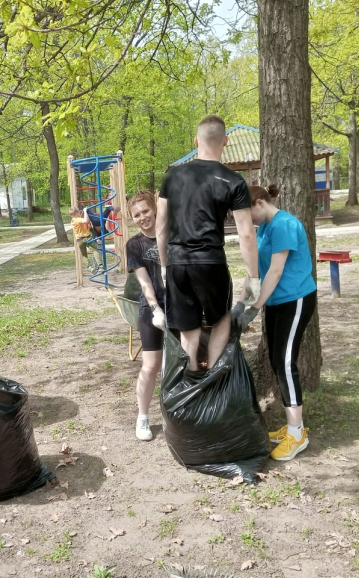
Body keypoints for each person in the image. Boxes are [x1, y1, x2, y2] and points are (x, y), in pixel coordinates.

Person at [156, 114, 259, 371]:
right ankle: (213, 380)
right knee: (221, 319)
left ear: (196, 140)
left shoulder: (172, 177)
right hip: (211, 263)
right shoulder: (234, 181)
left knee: (188, 333)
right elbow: (246, 233)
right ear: (225, 141)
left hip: (178, 263)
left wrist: (164, 265)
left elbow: (161, 227)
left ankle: (191, 391)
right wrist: (253, 277)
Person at [231, 184, 317, 461]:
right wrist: (240, 304)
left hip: (295, 300)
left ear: (258, 203)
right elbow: (255, 273)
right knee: (279, 361)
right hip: (277, 303)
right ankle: (295, 426)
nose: (248, 222)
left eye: (248, 215)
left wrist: (254, 308)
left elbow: (277, 271)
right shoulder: (265, 229)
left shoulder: (285, 225)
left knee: (284, 362)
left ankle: (297, 434)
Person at [125, 191, 166, 441]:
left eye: (146, 211)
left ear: (155, 209)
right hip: (151, 309)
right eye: (137, 215)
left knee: (180, 363)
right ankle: (143, 418)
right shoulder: (134, 245)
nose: (143, 217)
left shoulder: (172, 235)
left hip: (180, 307)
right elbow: (145, 282)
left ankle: (178, 413)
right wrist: (156, 309)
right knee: (150, 366)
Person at [69, 207, 99, 273]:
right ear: (76, 213)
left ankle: (90, 267)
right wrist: (85, 211)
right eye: (79, 213)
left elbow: (84, 224)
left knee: (84, 255)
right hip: (86, 238)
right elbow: (86, 221)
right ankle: (101, 265)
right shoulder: (77, 219)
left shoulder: (72, 221)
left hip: (79, 240)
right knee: (95, 250)